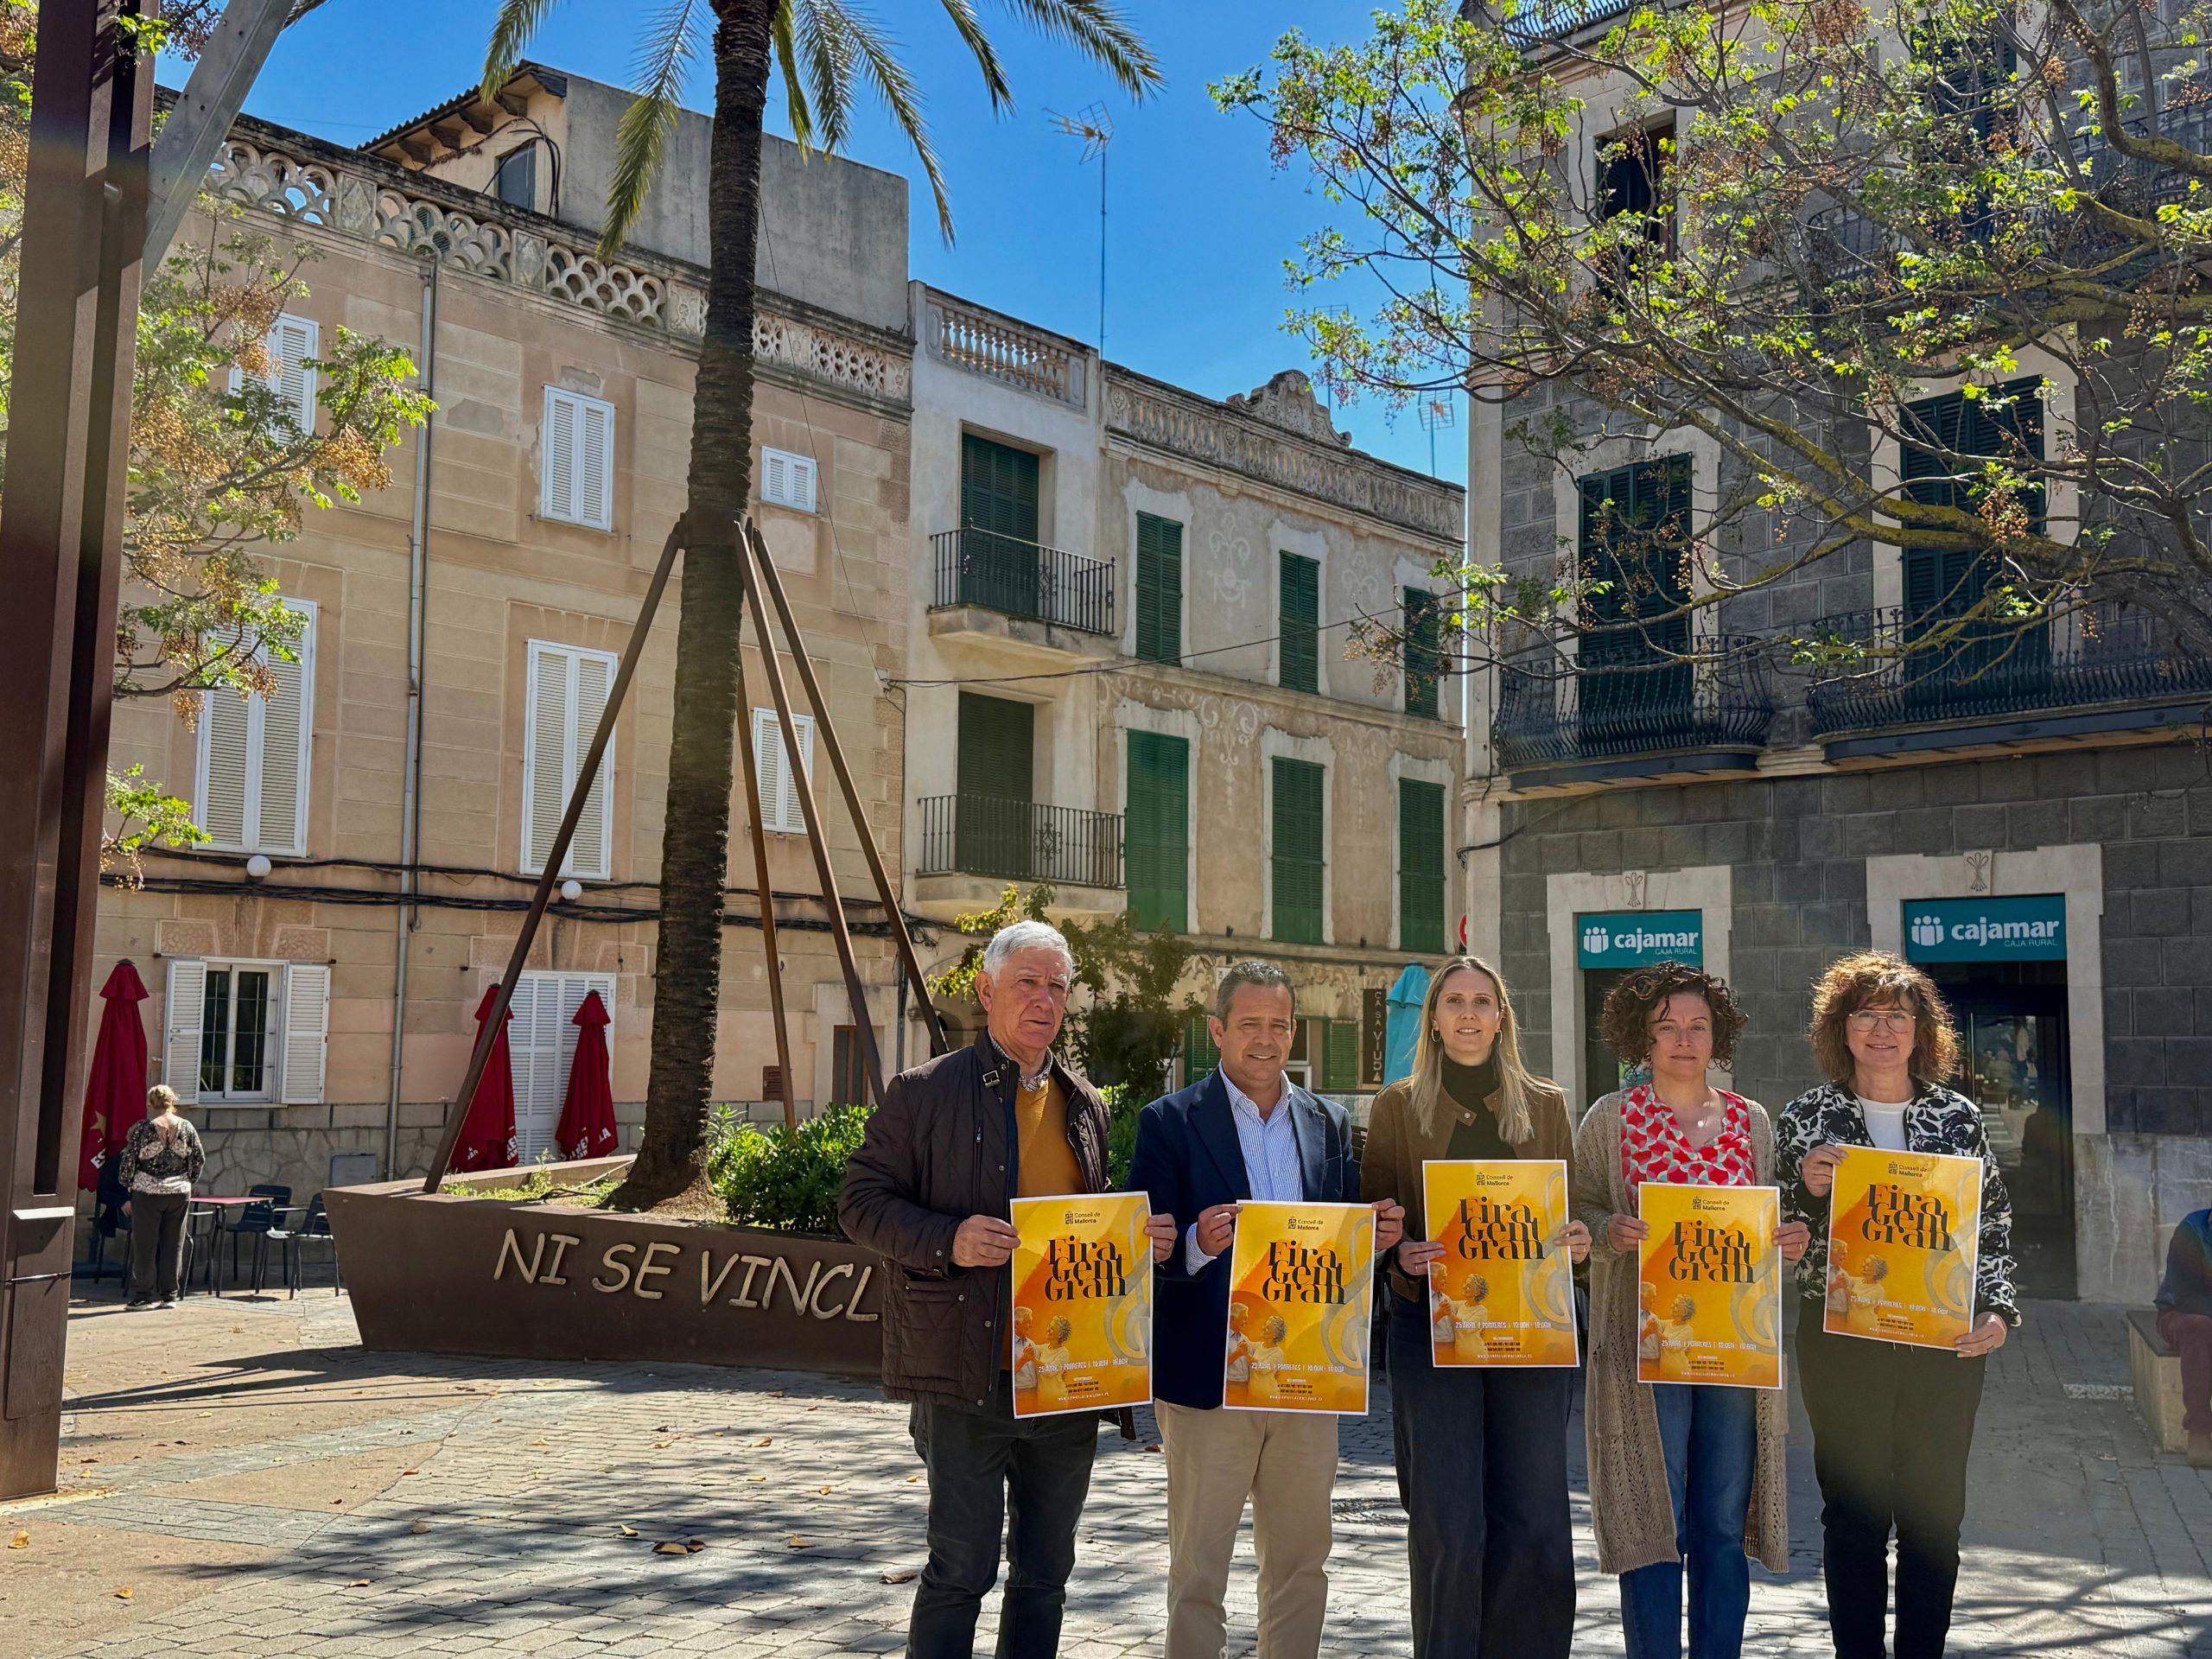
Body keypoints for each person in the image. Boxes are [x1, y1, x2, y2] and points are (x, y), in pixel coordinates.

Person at [840, 919, 1176, 1659]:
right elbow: (860, 1204)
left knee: (1046, 1575)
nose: (1044, 999)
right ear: (986, 990)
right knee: (961, 1569)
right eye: (1027, 982)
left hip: (1068, 1380)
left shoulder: (1083, 1102)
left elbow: (1084, 1221)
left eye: (1057, 986)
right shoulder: (922, 1093)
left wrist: (1137, 1242)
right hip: (968, 1375)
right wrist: (948, 1238)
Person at [1129, 958, 1405, 1659]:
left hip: (1307, 1378)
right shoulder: (1169, 1122)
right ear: (1218, 1030)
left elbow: (1340, 1249)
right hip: (1208, 1382)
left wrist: (1373, 1241)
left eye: (1279, 1025)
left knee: (1301, 1566)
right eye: (1249, 1024)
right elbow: (1144, 1248)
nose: (1265, 1038)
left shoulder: (1330, 1123)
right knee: (1199, 1571)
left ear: (1293, 1033)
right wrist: (1195, 1242)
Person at [1777, 951, 2019, 1659]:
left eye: (1898, 1017)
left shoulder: (1959, 1116)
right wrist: (1807, 1196)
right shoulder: (1805, 1119)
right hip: (1841, 1343)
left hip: (1942, 1343)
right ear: (1841, 1028)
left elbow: (1993, 1225)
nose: (1882, 1031)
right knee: (1852, 1515)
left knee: (1933, 1516)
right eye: (1867, 1016)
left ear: (1921, 1032)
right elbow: (1778, 1236)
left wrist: (1997, 1312)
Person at [1572, 962, 1808, 1659]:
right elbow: (1578, 1211)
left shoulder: (1751, 1122)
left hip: (1735, 1352)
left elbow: (1767, 1222)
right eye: (1666, 1027)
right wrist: (1610, 1230)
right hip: (1647, 1354)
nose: (1683, 1039)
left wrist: (1786, 1240)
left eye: (1697, 1026)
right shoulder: (1611, 1118)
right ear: (1641, 1039)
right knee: (1655, 1515)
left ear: (1718, 1035)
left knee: (1721, 1520)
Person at [1360, 954, 1590, 1659]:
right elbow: (1375, 1225)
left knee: (1536, 1519)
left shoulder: (1546, 1104)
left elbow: (1571, 1214)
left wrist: (1577, 1242)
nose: (1467, 1014)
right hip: (1430, 1334)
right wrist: (1398, 1253)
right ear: (1432, 1019)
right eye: (1453, 1001)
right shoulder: (1397, 1106)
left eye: (1481, 1002)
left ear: (1501, 1017)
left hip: (1532, 1333)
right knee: (1448, 1523)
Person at [118, 1084, 205, 1309]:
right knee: (174, 1243)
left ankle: (144, 1295)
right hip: (179, 1193)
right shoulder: (187, 1127)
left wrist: (127, 1183)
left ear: (150, 1104)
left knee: (145, 1244)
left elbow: (129, 1161)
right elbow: (198, 1158)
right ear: (172, 1102)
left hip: (147, 1193)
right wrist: (189, 1180)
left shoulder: (143, 1129)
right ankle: (170, 1295)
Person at [2155, 1206, 2212, 1469]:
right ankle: (2199, 1433)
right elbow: (2187, 1297)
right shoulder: (2193, 1230)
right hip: (2180, 1314)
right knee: (2200, 1327)